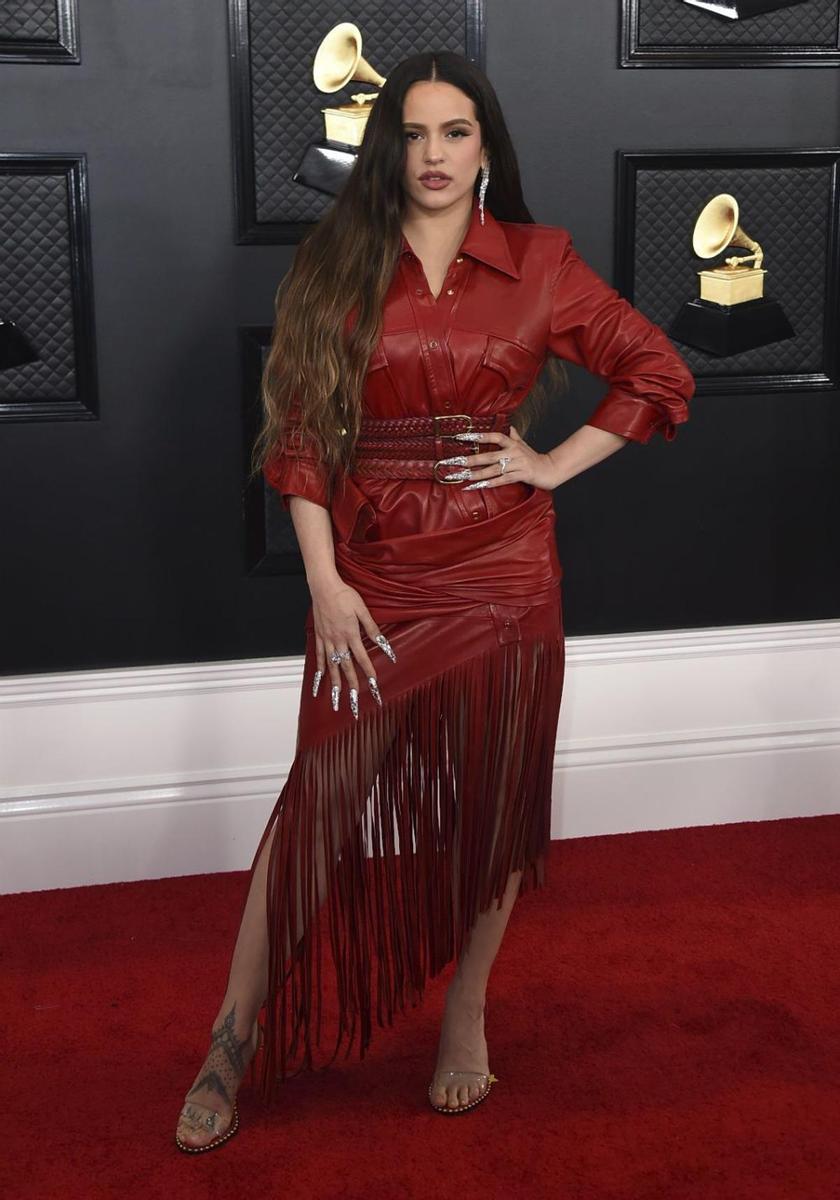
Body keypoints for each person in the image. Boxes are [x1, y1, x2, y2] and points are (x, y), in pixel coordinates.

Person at [175, 49, 695, 1152]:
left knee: (491, 811)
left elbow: (657, 372)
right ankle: (232, 1033)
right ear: (386, 148)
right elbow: (305, 436)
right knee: (316, 808)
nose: (433, 156)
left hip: (503, 577)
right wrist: (323, 582)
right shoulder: (335, 260)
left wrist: (549, 464)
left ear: (487, 145)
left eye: (455, 132)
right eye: (412, 134)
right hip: (370, 578)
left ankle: (466, 1012)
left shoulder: (541, 264)